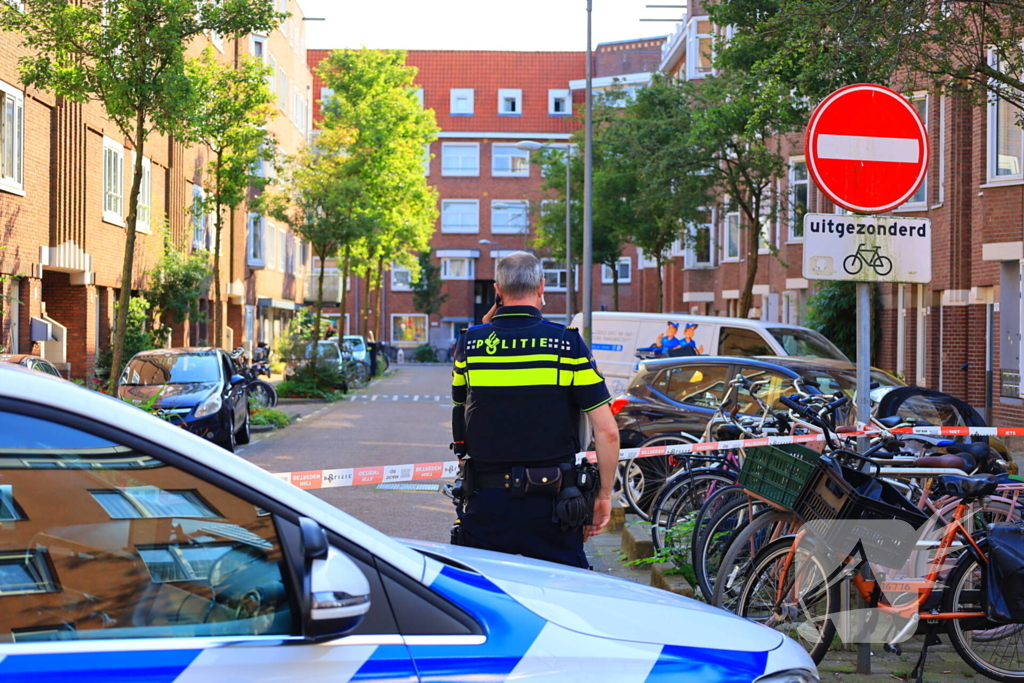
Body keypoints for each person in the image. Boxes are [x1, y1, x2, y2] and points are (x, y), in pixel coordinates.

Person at [449, 252, 619, 568]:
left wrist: (485, 328)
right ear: (542, 287)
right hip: (554, 507)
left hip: (486, 504)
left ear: (497, 291)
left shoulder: (469, 345)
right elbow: (607, 430)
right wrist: (604, 495)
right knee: (563, 600)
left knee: (484, 596)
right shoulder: (567, 345)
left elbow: (462, 406)